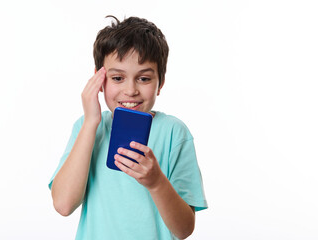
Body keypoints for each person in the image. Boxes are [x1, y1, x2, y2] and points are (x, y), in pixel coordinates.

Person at [49, 16, 207, 240]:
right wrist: (91, 122)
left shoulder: (174, 132)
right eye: (117, 77)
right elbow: (63, 204)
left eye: (143, 78)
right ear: (99, 79)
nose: (130, 90)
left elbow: (183, 230)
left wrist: (156, 182)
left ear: (160, 83)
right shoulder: (86, 127)